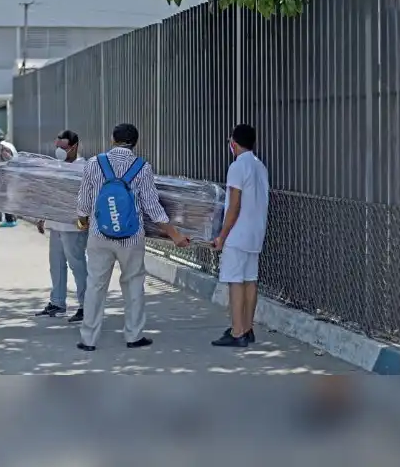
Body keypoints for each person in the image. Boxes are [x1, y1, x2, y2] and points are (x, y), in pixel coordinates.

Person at [74, 123, 190, 351]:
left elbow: (83, 202)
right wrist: (175, 235)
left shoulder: (94, 163)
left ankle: (88, 339)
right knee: (134, 284)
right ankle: (134, 336)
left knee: (95, 285)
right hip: (131, 238)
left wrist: (84, 221)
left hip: (100, 234)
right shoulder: (142, 167)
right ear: (135, 142)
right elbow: (152, 207)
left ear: (112, 139)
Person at [210, 124, 269, 348]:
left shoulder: (237, 166)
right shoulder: (259, 166)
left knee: (235, 281)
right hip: (256, 233)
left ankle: (237, 332)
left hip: (237, 233)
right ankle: (247, 327)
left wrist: (222, 237)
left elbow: (234, 205)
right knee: (250, 280)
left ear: (233, 144)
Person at [34, 130, 89, 322]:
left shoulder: (83, 168)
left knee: (77, 265)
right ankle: (57, 303)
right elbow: (51, 192)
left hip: (73, 226)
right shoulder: (56, 166)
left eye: (63, 147)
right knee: (56, 265)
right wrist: (43, 216)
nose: (59, 151)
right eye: (57, 147)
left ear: (74, 147)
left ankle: (86, 305)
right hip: (56, 224)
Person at [0, 128, 18, 227]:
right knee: (9, 197)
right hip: (13, 175)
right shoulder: (9, 145)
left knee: (4, 198)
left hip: (5, 176)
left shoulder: (2, 147)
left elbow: (6, 160)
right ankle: (12, 218)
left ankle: (9, 220)